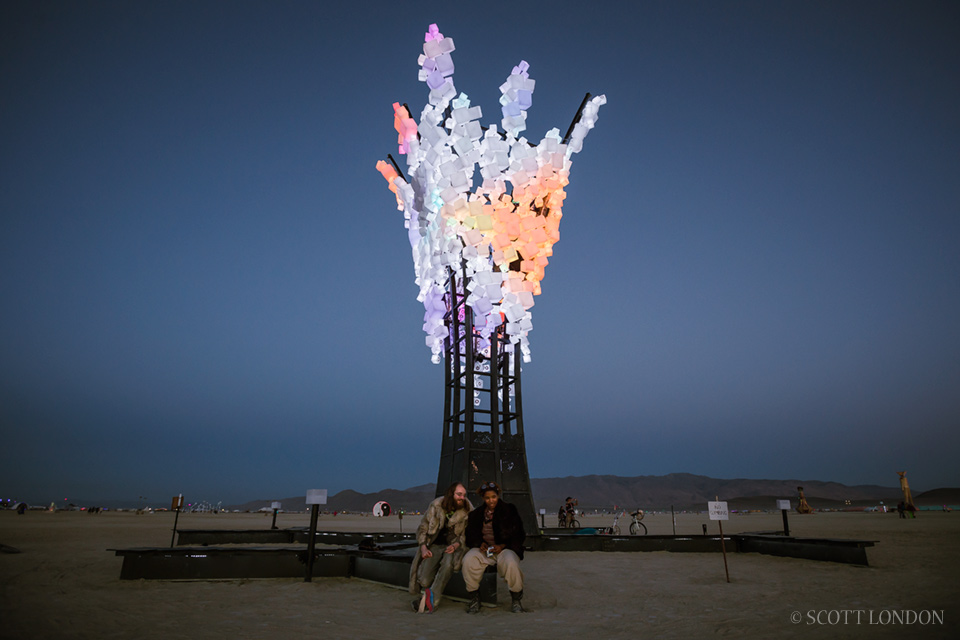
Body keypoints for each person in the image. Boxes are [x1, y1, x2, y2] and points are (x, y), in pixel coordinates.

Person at [462, 481, 526, 613]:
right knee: (468, 560)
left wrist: (503, 545)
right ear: (483, 498)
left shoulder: (509, 510)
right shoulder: (476, 514)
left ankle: (516, 599)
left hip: (505, 549)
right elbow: (470, 535)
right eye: (487, 498)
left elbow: (519, 533)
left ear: (498, 496)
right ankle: (474, 598)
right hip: (486, 550)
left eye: (493, 497)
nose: (491, 500)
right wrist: (480, 543)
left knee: (511, 563)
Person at [409, 483, 472, 613]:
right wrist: (423, 547)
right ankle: (428, 595)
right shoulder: (436, 506)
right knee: (425, 580)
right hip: (435, 545)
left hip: (453, 546)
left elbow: (468, 534)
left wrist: (456, 544)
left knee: (448, 565)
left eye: (464, 495)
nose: (462, 498)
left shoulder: (467, 510)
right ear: (451, 494)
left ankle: (431, 602)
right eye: (459, 494)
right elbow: (423, 528)